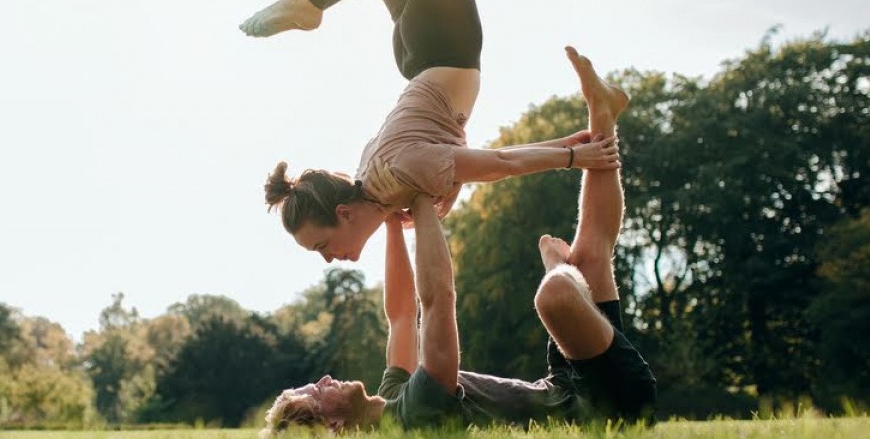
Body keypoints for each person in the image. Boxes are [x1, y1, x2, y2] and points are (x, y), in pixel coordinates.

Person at [259, 48, 657, 435]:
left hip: (566, 386)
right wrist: (417, 197)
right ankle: (558, 266)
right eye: (317, 392)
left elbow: (400, 314)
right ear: (333, 426)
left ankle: (602, 112)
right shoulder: (416, 417)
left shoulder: (394, 395)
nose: (325, 379)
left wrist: (392, 220)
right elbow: (436, 299)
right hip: (607, 406)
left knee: (591, 253)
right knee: (555, 295)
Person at [251, 0, 619, 263]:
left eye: (321, 247)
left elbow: (502, 164)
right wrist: (566, 145)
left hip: (444, 44)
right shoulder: (374, 176)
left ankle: (311, 1)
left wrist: (573, 157)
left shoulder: (400, 174)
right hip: (416, 54)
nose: (328, 259)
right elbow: (450, 144)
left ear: (343, 213)